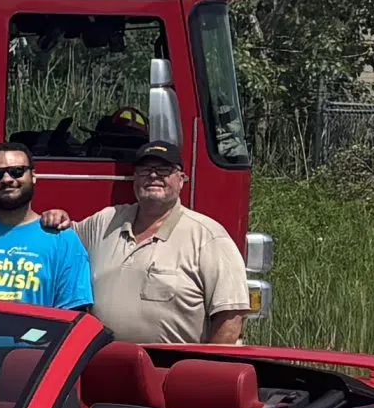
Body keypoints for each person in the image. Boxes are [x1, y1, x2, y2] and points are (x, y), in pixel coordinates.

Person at [74, 142, 254, 345]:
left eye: (164, 169)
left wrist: (205, 369)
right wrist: (55, 218)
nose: (153, 176)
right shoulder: (105, 222)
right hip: (101, 363)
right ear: (134, 178)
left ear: (182, 179)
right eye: (145, 170)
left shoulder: (209, 237)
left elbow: (231, 319)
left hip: (170, 369)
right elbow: (60, 243)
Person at [0, 143, 95, 310]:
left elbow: (72, 315)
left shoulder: (64, 241)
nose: (6, 179)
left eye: (17, 171)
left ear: (33, 176)